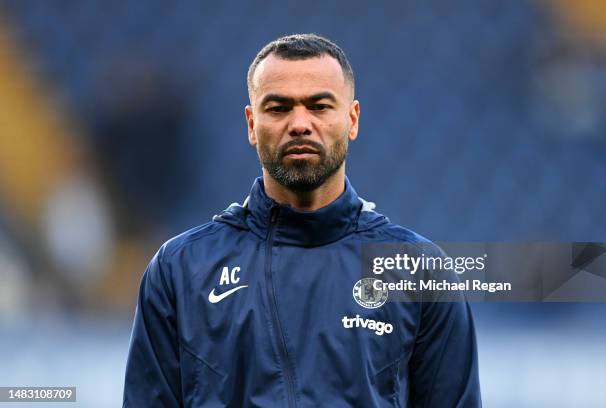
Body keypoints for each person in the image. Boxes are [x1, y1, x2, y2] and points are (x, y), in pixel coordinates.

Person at [123, 33, 481, 407]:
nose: (299, 124)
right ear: (251, 124)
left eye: (319, 106)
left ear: (352, 119)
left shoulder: (420, 269)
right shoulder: (181, 269)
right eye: (278, 108)